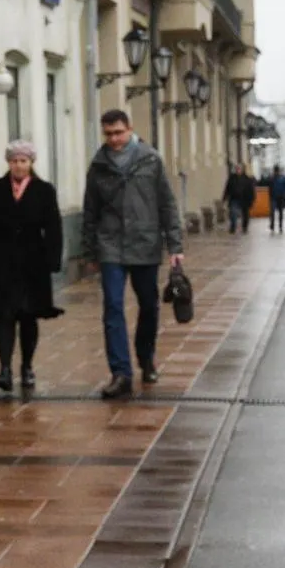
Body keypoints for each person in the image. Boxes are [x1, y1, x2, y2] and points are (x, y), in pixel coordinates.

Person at [82, 109, 184, 399]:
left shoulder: (150, 159)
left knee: (149, 305)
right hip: (111, 244)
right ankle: (120, 372)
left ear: (130, 129)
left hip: (145, 241)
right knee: (112, 307)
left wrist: (175, 246)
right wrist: (90, 250)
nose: (114, 139)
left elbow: (167, 204)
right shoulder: (99, 166)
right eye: (109, 134)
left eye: (118, 132)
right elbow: (90, 210)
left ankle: (146, 357)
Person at [0, 141, 64, 393]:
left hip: (32, 264)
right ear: (8, 163)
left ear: (31, 163)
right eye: (14, 161)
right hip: (1, 264)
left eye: (23, 161)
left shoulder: (43, 190)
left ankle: (26, 366)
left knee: (27, 316)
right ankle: (4, 368)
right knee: (4, 315)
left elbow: (54, 227)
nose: (18, 165)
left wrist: (52, 260)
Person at [224, 163, 256, 235]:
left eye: (239, 169)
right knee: (233, 213)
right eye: (237, 169)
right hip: (234, 199)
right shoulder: (232, 178)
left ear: (242, 170)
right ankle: (233, 227)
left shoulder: (247, 179)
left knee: (245, 214)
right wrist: (224, 197)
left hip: (244, 199)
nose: (237, 170)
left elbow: (251, 190)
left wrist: (252, 199)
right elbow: (227, 188)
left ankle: (245, 227)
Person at [268, 165, 285, 234]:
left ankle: (280, 226)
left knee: (280, 212)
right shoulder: (272, 178)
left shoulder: (283, 178)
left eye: (277, 171)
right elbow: (269, 187)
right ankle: (272, 225)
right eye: (275, 171)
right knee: (272, 212)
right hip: (273, 197)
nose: (276, 172)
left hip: (281, 198)